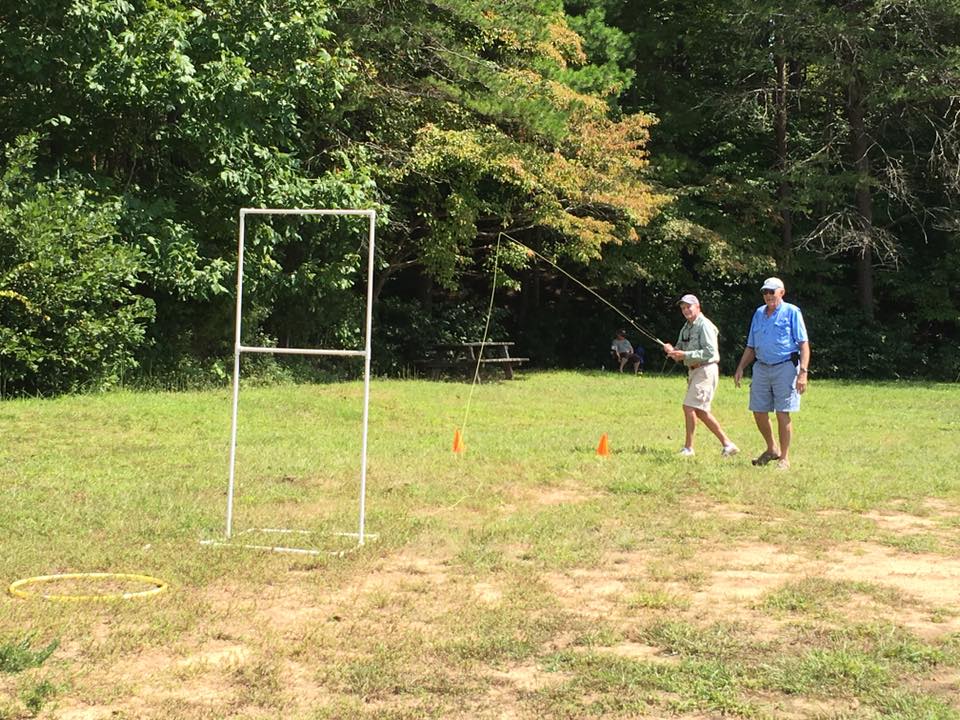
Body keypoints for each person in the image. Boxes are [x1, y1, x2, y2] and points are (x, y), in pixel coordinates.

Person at [733, 277, 810, 470]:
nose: (768, 296)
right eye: (765, 292)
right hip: (761, 367)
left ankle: (784, 458)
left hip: (785, 366)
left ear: (781, 292)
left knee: (782, 413)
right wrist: (741, 367)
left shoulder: (792, 312)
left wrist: (803, 373)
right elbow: (751, 345)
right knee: (758, 411)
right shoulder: (759, 313)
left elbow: (804, 345)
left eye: (771, 292)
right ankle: (771, 449)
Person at [662, 295, 739, 457]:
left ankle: (688, 448)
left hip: (705, 370)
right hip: (693, 371)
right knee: (701, 411)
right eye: (683, 308)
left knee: (689, 407)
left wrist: (685, 354)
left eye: (688, 307)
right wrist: (672, 350)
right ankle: (728, 444)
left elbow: (710, 352)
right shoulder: (687, 327)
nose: (685, 310)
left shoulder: (705, 325)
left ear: (698, 307)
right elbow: (680, 349)